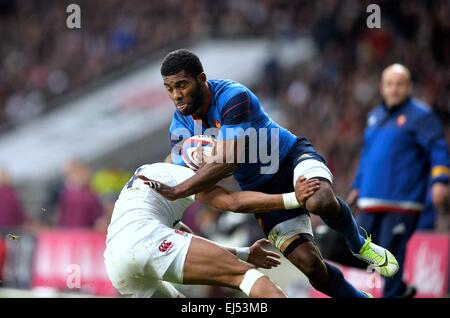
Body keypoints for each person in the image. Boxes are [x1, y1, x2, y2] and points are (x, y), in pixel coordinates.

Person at [153, 49, 399, 298]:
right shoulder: (179, 126)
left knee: (320, 201)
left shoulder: (232, 97)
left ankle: (359, 244)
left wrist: (180, 189)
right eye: (169, 88)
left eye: (182, 85)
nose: (176, 95)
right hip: (260, 189)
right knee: (312, 267)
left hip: (290, 158)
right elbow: (177, 165)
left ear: (202, 79)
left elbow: (227, 162)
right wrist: (172, 171)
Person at [105, 162, 321, 298]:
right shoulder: (178, 174)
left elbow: (190, 243)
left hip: (116, 263)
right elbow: (231, 201)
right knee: (244, 276)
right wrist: (294, 198)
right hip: (146, 240)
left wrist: (245, 253)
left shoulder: (149, 179)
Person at [347, 64, 450, 298]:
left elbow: (438, 149)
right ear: (382, 88)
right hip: (370, 199)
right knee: (360, 251)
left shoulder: (421, 116)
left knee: (390, 254)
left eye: (399, 84)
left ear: (409, 87)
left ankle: (394, 293)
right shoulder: (374, 116)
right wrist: (357, 185)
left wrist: (440, 180)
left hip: (402, 202)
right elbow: (367, 157)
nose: (394, 89)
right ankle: (400, 290)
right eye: (389, 84)